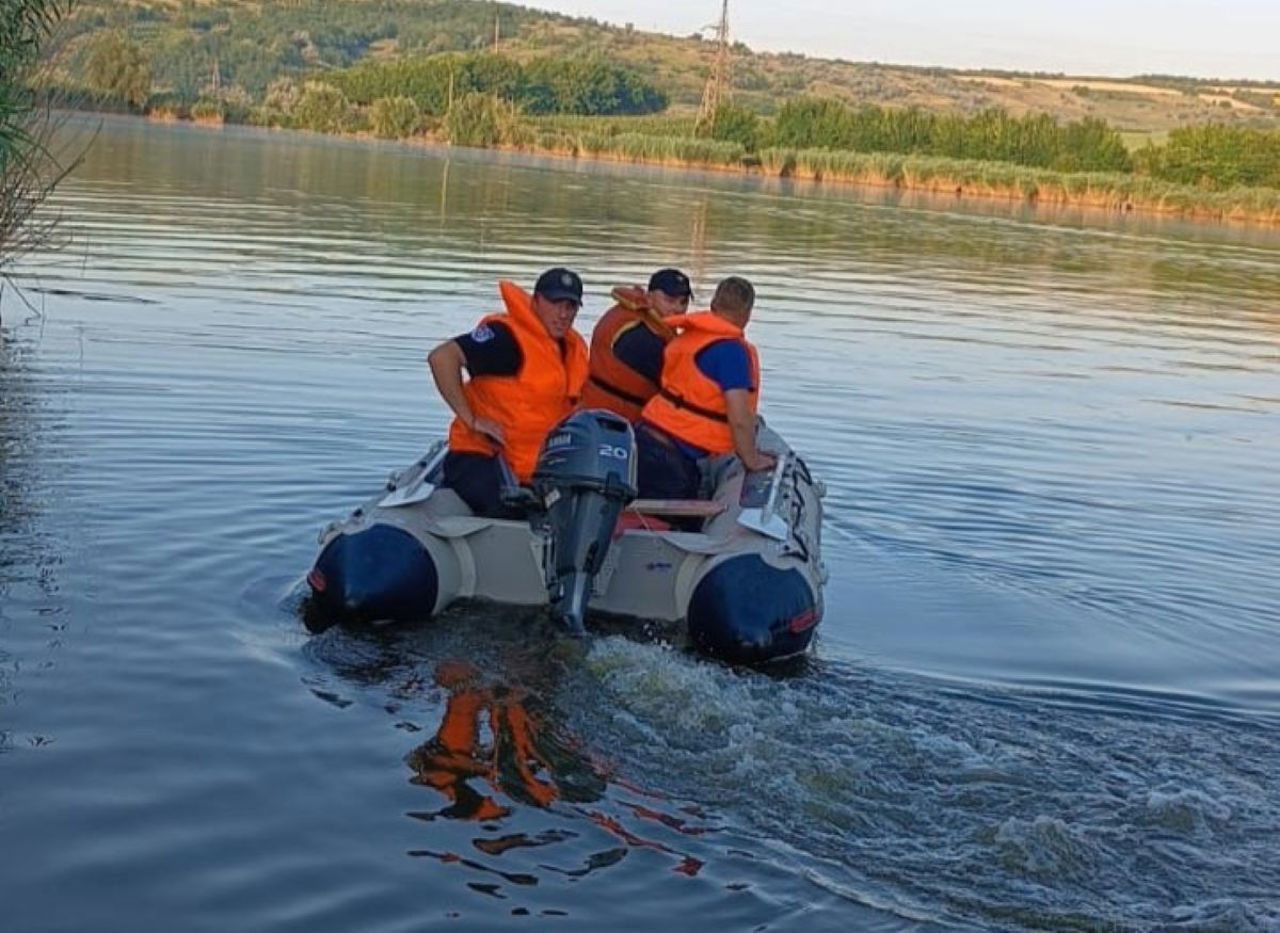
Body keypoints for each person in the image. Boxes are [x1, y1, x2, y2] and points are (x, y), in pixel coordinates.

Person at [427, 267, 589, 517]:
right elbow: (442, 358)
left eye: (571, 307)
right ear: (536, 301)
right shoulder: (506, 339)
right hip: (483, 457)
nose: (563, 314)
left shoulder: (569, 347)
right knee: (512, 513)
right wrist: (471, 420)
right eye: (556, 304)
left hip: (535, 464)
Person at [635, 276, 775, 501]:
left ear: (713, 306)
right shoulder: (732, 352)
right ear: (747, 314)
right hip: (671, 458)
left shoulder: (689, 337)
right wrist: (752, 460)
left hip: (644, 436)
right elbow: (739, 418)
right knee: (672, 527)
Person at [578, 267, 694, 422]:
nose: (678, 309)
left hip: (611, 416)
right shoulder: (640, 336)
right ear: (650, 297)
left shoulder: (638, 319)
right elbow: (680, 389)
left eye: (683, 302)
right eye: (669, 300)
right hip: (608, 421)